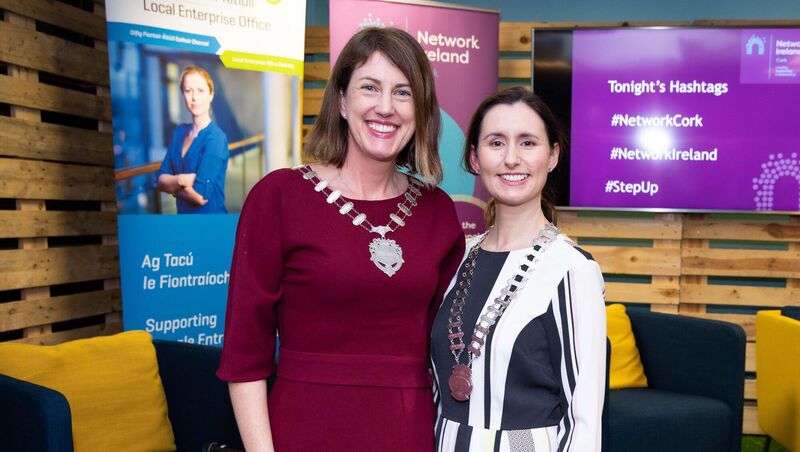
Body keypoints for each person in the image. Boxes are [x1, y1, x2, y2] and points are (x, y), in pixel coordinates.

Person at [217, 27, 466, 452]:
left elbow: (449, 344)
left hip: (410, 432)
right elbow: (245, 354)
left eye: (403, 93)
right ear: (342, 101)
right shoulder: (279, 197)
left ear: (420, 111)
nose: (385, 107)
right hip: (303, 428)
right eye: (370, 87)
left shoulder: (438, 211)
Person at [431, 88, 606, 451]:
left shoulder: (572, 270)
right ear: (475, 158)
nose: (512, 158)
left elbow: (584, 420)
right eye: (496, 143)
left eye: (527, 142)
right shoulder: (457, 258)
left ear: (552, 155)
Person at [156, 66, 229, 214]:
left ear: (211, 95)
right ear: (183, 94)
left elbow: (199, 195)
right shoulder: (179, 132)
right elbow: (159, 180)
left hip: (210, 224)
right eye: (188, 91)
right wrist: (182, 180)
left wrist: (172, 187)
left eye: (201, 91)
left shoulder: (216, 138)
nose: (194, 97)